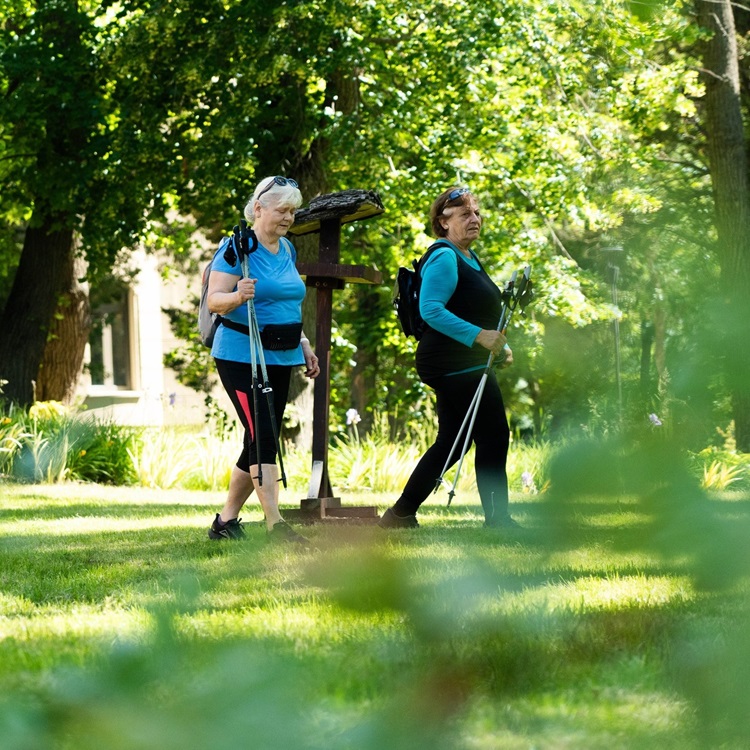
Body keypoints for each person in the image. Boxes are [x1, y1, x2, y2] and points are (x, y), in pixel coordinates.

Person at [380, 186, 520, 530]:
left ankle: (400, 514)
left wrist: (497, 344)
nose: (474, 220)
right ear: (443, 223)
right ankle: (498, 519)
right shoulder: (445, 255)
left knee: (453, 442)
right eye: (464, 215)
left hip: (467, 362)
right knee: (493, 434)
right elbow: (430, 310)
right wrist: (480, 336)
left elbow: (473, 311)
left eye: (476, 213)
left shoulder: (468, 256)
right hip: (451, 363)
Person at [207, 175, 320, 544]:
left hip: (282, 353)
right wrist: (238, 295)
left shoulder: (287, 250)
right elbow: (214, 301)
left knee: (257, 438)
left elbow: (287, 302)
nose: (288, 218)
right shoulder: (236, 247)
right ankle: (275, 524)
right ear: (258, 209)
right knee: (265, 435)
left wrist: (303, 342)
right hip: (242, 355)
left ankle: (225, 523)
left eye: (293, 211)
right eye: (282, 210)